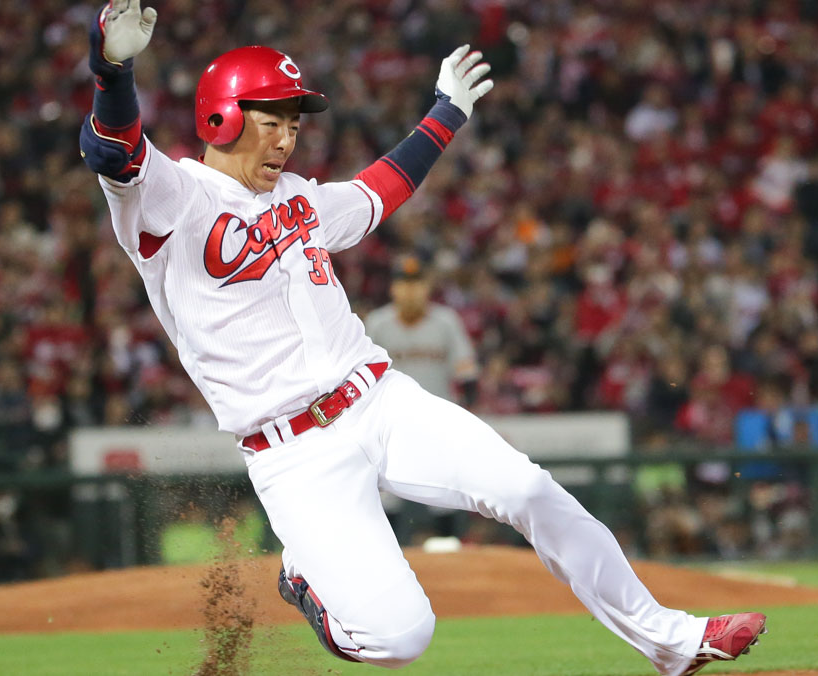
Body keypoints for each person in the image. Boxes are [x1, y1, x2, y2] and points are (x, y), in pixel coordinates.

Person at [79, 2, 766, 673]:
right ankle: (306, 577)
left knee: (528, 489)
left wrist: (446, 114)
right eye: (271, 120)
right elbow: (112, 149)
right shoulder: (172, 199)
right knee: (401, 639)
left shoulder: (299, 197)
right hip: (293, 452)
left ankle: (673, 643)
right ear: (222, 118)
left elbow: (381, 189)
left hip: (380, 399)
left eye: (294, 122)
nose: (287, 138)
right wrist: (112, 70)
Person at [365, 255, 478, 543]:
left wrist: (466, 409)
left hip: (437, 420)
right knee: (385, 494)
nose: (411, 291)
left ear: (427, 287)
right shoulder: (378, 323)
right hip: (390, 422)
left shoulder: (446, 321)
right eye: (404, 283)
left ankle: (449, 552)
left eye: (416, 283)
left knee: (443, 489)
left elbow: (467, 373)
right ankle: (385, 552)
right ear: (393, 289)